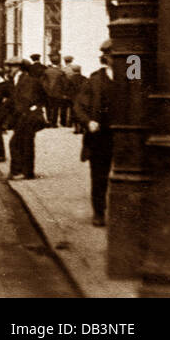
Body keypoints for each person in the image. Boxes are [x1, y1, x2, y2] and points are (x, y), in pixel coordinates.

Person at [74, 40, 115, 227]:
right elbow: (80, 105)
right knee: (99, 176)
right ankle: (99, 212)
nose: (115, 59)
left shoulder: (132, 75)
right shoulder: (95, 80)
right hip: (100, 136)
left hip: (125, 136)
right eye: (112, 56)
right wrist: (88, 121)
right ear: (106, 57)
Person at [7, 56, 45, 179]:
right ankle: (22, 172)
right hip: (22, 117)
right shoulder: (18, 79)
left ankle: (22, 172)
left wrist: (19, 113)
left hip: (27, 117)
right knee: (22, 144)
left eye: (11, 66)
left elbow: (25, 100)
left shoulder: (27, 80)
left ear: (19, 68)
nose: (9, 69)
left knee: (22, 144)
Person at [42, 53, 68, 128]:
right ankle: (54, 122)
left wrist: (45, 89)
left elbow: (43, 82)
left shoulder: (46, 71)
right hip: (57, 92)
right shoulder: (60, 72)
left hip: (47, 92)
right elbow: (64, 83)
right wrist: (64, 92)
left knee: (48, 107)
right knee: (56, 108)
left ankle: (49, 120)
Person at [67, 64, 87, 134]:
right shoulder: (84, 78)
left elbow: (67, 89)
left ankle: (76, 128)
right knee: (81, 112)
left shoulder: (70, 79)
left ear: (73, 70)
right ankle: (82, 127)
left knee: (73, 112)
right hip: (82, 98)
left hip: (73, 98)